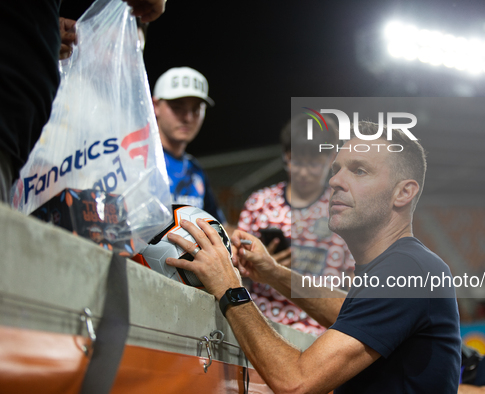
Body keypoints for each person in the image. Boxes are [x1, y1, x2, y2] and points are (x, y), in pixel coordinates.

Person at [165, 120, 461, 393]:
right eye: (337, 169)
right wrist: (272, 272)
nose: (335, 182)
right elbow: (350, 312)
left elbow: (296, 382)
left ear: (403, 193)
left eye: (358, 170)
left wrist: (230, 287)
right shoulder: (400, 266)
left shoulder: (406, 271)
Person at [0, 0, 165, 203]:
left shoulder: (131, 117)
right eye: (113, 46)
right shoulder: (66, 96)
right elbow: (40, 173)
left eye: (134, 52)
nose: (122, 59)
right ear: (90, 41)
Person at [237, 115, 355, 335]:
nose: (303, 171)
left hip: (320, 329)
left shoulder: (347, 210)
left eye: (314, 163)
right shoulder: (260, 203)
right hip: (262, 323)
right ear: (286, 156)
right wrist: (260, 264)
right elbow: (236, 268)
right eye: (296, 161)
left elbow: (355, 286)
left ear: (331, 158)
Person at [152, 67, 226, 223]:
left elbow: (218, 225)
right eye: (177, 107)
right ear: (155, 106)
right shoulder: (136, 162)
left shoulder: (195, 171)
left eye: (196, 109)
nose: (188, 117)